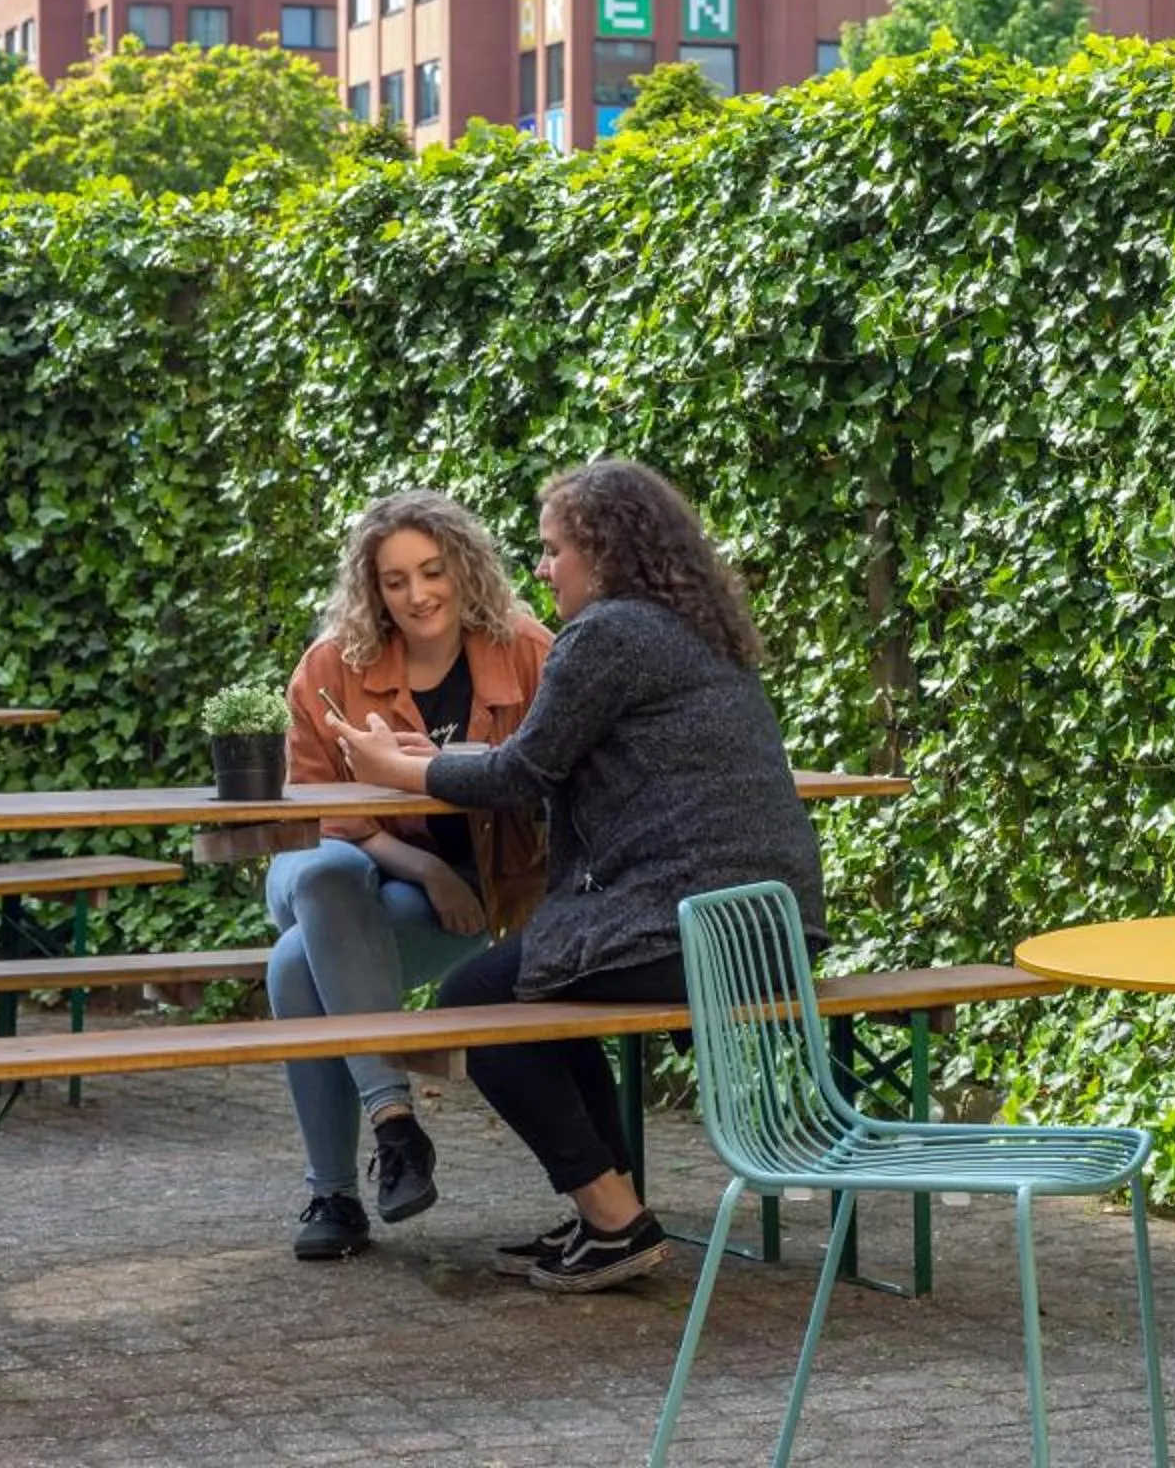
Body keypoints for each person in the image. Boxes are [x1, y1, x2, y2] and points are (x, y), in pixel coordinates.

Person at [328, 459, 824, 1295]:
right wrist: (440, 758)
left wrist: (398, 768)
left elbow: (522, 776)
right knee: (543, 999)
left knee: (475, 1007)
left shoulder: (609, 634)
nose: (544, 567)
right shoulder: (693, 630)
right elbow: (543, 757)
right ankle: (614, 1210)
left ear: (604, 551)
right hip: (767, 929)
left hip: (682, 925)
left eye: (555, 549)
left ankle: (613, 1219)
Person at [267, 490, 551, 1262]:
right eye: (395, 581)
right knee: (328, 878)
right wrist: (426, 866)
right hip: (330, 863)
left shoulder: (527, 651)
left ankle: (334, 1195)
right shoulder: (331, 665)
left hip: (465, 884)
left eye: (432, 572)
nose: (418, 595)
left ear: (464, 567)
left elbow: (558, 773)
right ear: (372, 588)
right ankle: (394, 1120)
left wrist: (453, 878)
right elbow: (316, 814)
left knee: (296, 965)